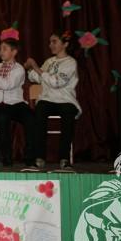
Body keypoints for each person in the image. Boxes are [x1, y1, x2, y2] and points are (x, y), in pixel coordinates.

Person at [24, 31, 80, 170]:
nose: (50, 45)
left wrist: (36, 67)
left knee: (68, 115)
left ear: (65, 44)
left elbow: (56, 82)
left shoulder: (70, 62)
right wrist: (29, 68)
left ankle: (64, 159)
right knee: (39, 112)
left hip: (66, 100)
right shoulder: (49, 61)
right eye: (50, 42)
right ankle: (39, 158)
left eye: (54, 41)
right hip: (47, 99)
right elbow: (37, 78)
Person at [0, 38, 33, 166]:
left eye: (4, 49)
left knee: (31, 118)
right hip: (0, 103)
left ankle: (30, 157)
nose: (1, 52)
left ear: (14, 52)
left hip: (16, 103)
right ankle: (6, 157)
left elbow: (7, 85)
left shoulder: (19, 69)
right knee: (2, 117)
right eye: (0, 49)